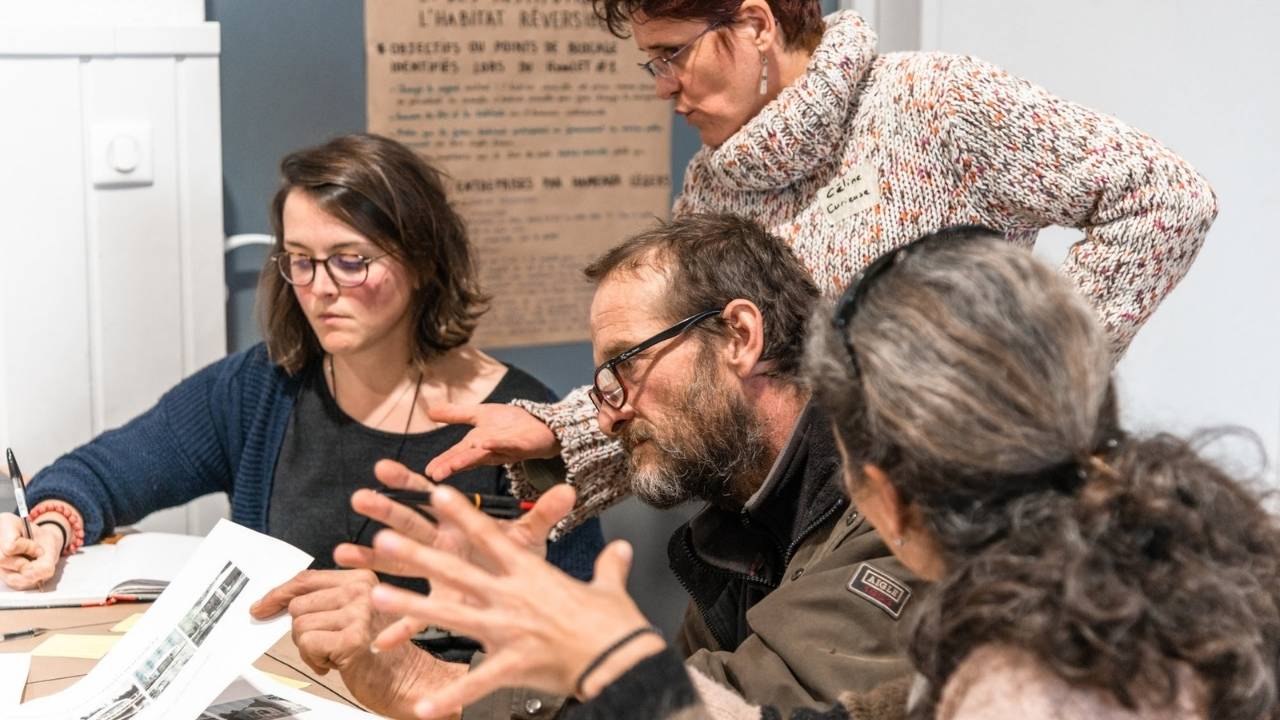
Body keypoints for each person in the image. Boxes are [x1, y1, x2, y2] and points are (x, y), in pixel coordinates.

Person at [346, 227, 1280, 720]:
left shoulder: (1029, 672)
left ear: (891, 479)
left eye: (624, 367)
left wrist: (587, 658)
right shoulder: (1123, 557)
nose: (610, 409)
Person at [421, 1, 1220, 530]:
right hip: (787, 543)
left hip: (951, 525)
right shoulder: (713, 184)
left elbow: (1164, 200)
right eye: (650, 63)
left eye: (672, 55)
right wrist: (557, 432)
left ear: (756, 23)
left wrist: (1009, 395)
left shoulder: (932, 102)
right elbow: (701, 381)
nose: (663, 87)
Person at [261, 213, 922, 719]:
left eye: (624, 364)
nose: (607, 416)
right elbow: (676, 692)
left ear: (740, 337)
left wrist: (437, 685)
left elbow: (735, 704)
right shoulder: (741, 512)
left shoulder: (901, 509)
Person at [0, 133, 602, 596]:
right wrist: (46, 528)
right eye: (301, 260)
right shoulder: (262, 387)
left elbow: (571, 633)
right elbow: (105, 472)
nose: (320, 287)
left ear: (422, 261)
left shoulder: (519, 423)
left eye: (351, 260)